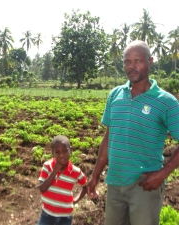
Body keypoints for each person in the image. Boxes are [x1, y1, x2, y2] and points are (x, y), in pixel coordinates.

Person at [87, 40, 179, 225]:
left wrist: (162, 174)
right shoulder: (115, 95)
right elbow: (108, 138)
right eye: (127, 61)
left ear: (150, 61)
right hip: (115, 183)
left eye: (138, 61)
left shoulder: (166, 102)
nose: (132, 66)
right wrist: (95, 175)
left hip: (144, 185)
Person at [37, 135, 87, 225]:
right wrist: (55, 170)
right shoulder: (47, 166)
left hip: (65, 217)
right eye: (57, 152)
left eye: (65, 151)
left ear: (71, 150)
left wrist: (75, 200)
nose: (62, 155)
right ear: (53, 153)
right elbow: (42, 188)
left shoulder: (76, 171)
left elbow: (85, 186)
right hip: (47, 215)